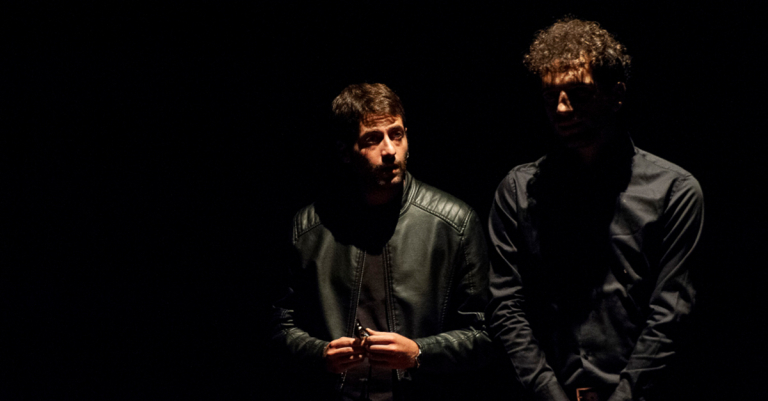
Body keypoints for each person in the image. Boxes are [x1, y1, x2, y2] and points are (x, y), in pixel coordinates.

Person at [487, 18, 704, 401]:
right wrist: (548, 393)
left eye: (579, 93)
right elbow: (506, 307)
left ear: (616, 94)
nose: (561, 107)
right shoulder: (517, 190)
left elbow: (670, 315)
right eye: (550, 96)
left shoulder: (674, 190)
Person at [272, 83, 492, 400]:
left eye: (396, 134)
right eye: (373, 139)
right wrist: (319, 354)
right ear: (345, 152)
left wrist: (419, 352)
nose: (389, 150)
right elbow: (279, 326)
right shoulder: (309, 229)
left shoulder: (454, 223)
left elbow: (485, 334)